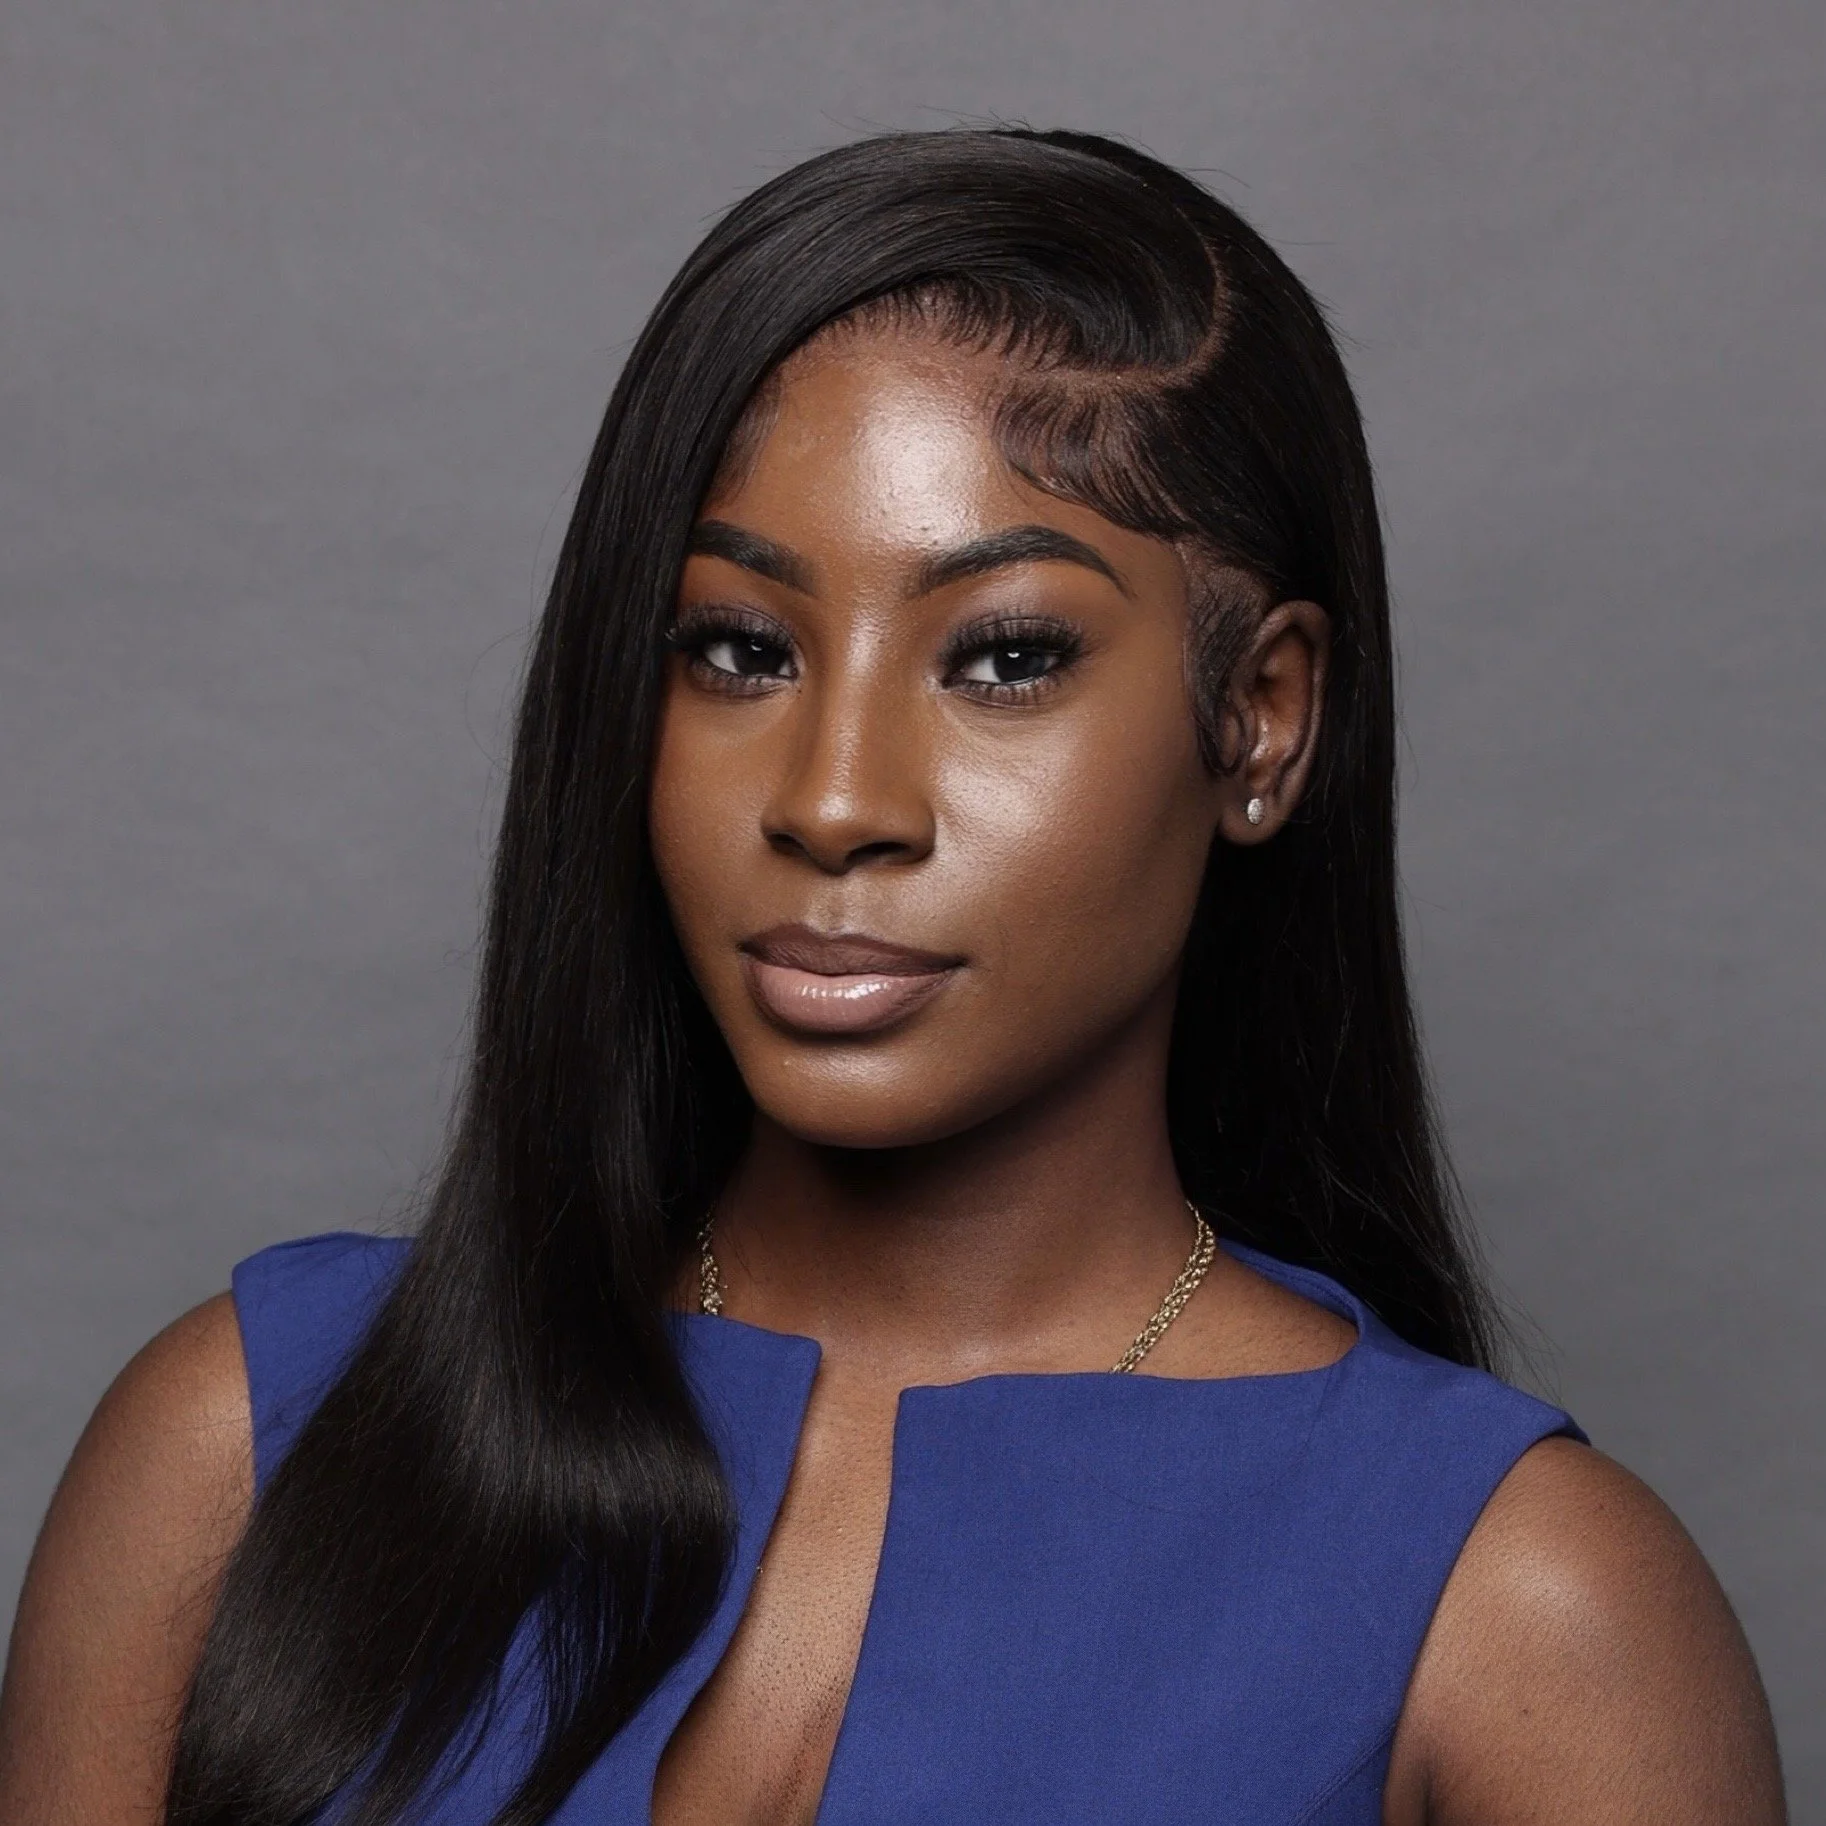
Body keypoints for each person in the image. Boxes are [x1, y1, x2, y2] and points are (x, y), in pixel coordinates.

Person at [0, 127, 1785, 1826]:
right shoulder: (247, 1445)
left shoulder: (1524, 1609)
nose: (834, 799)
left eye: (1002, 657)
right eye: (738, 647)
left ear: (1257, 718)